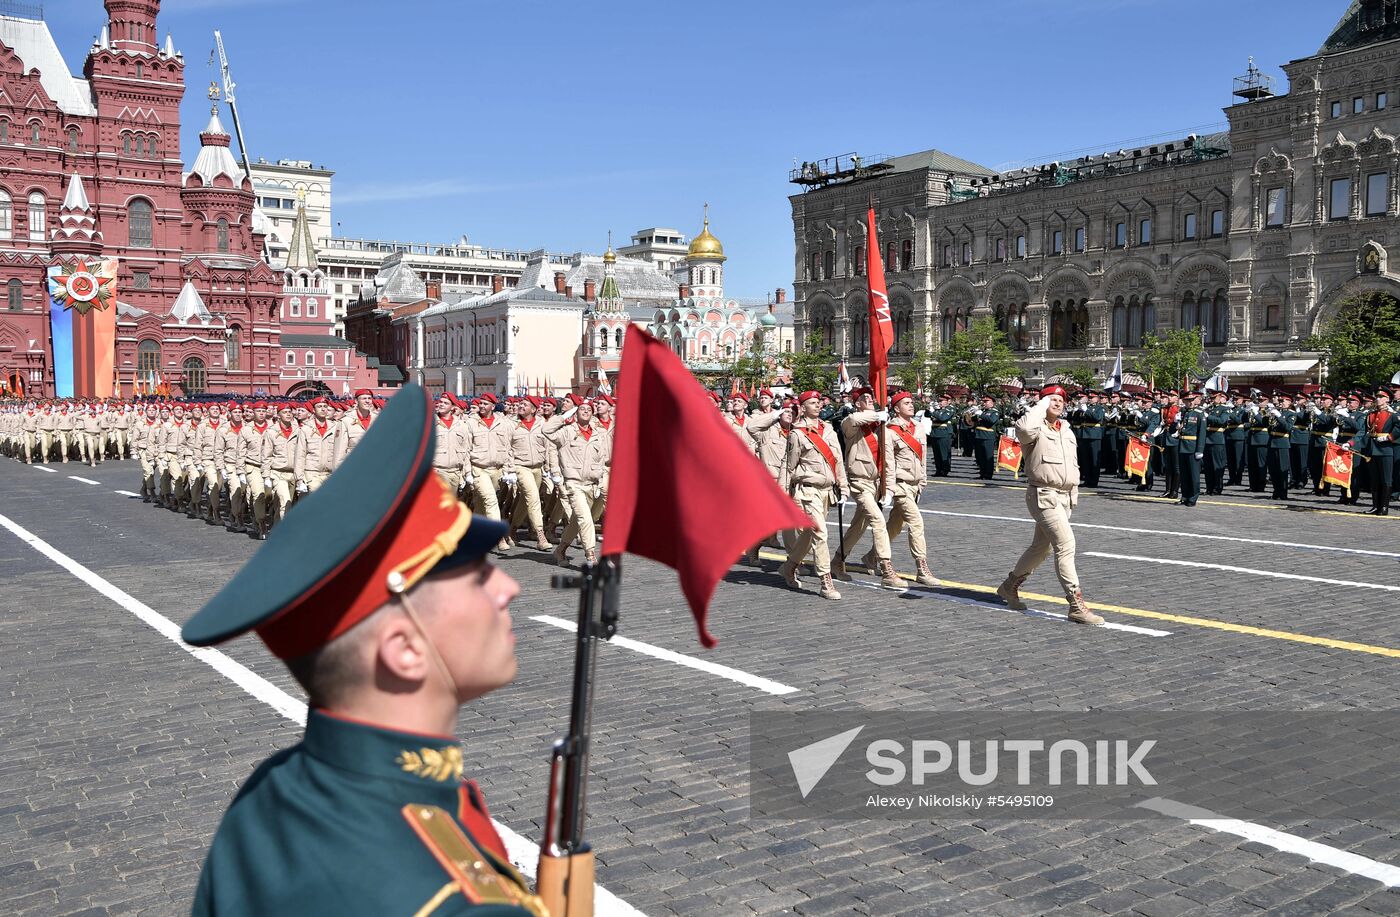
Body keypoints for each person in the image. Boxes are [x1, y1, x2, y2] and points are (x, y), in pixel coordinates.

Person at [181, 384, 544, 916]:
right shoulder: (458, 904)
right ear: (404, 649)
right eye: (476, 577)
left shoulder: (268, 794)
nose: (507, 588)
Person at [995, 385, 1104, 626]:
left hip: (1065, 497)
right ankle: (1076, 605)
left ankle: (1009, 586)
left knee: (1040, 548)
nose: (1057, 403)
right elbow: (1024, 430)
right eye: (1052, 399)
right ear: (1042, 403)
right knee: (1066, 545)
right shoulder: (1034, 427)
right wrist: (1040, 406)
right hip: (1044, 495)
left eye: (1060, 400)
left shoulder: (1066, 429)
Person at [779, 389, 846, 601]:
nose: (818, 405)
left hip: (827, 491)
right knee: (820, 533)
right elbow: (789, 466)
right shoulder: (797, 434)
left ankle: (789, 566)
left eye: (819, 402)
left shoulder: (829, 430)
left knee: (809, 533)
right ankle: (825, 579)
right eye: (812, 403)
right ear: (803, 407)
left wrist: (844, 487)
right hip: (807, 490)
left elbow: (838, 460)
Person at [832, 388, 901, 590]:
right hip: (859, 481)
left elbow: (888, 459)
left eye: (871, 397)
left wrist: (889, 488)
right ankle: (887, 568)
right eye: (864, 398)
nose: (869, 399)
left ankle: (838, 559)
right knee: (878, 521)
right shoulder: (851, 424)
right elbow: (853, 420)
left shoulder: (880, 426)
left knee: (859, 525)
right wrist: (877, 415)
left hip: (876, 483)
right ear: (857, 404)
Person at [884, 391, 940, 586]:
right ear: (896, 408)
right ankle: (921, 568)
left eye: (911, 402)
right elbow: (888, 462)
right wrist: (889, 488)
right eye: (906, 403)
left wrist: (922, 481)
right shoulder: (890, 431)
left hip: (915, 484)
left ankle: (874, 555)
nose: (911, 405)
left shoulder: (918, 427)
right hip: (900, 484)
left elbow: (922, 458)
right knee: (916, 522)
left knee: (895, 525)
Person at [1363, 387, 1396, 515]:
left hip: (1385, 449)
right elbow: (1365, 431)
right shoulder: (1371, 414)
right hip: (1372, 448)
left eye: (1381, 397)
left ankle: (1384, 507)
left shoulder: (1392, 414)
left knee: (1386, 479)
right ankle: (1375, 506)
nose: (1378, 399)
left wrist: (1389, 437)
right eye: (1377, 396)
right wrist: (1351, 443)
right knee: (1375, 479)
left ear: (1387, 399)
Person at [1176, 391, 1207, 506]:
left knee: (1194, 475)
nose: (1190, 403)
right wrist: (1176, 423)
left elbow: (1202, 433)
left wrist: (1200, 450)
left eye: (1191, 400)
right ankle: (1185, 496)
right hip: (1182, 445)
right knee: (1184, 475)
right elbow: (1178, 429)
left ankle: (1193, 498)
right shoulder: (1183, 412)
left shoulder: (1199, 414)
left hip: (1193, 447)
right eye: (1187, 400)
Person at [925, 393, 957, 476]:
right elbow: (927, 415)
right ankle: (938, 470)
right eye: (939, 401)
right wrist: (928, 409)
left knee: (944, 453)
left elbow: (942, 418)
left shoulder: (949, 410)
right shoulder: (937, 410)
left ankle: (944, 470)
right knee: (937, 454)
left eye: (941, 401)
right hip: (935, 433)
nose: (939, 402)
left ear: (946, 402)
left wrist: (934, 413)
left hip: (944, 433)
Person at [969, 395, 1000, 480]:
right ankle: (982, 473)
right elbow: (972, 421)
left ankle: (988, 474)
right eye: (983, 401)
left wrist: (981, 414)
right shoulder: (982, 411)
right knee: (980, 456)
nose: (984, 403)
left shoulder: (994, 412)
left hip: (987, 436)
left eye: (986, 401)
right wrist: (973, 413)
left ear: (992, 402)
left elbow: (991, 421)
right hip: (978, 435)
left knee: (988, 456)